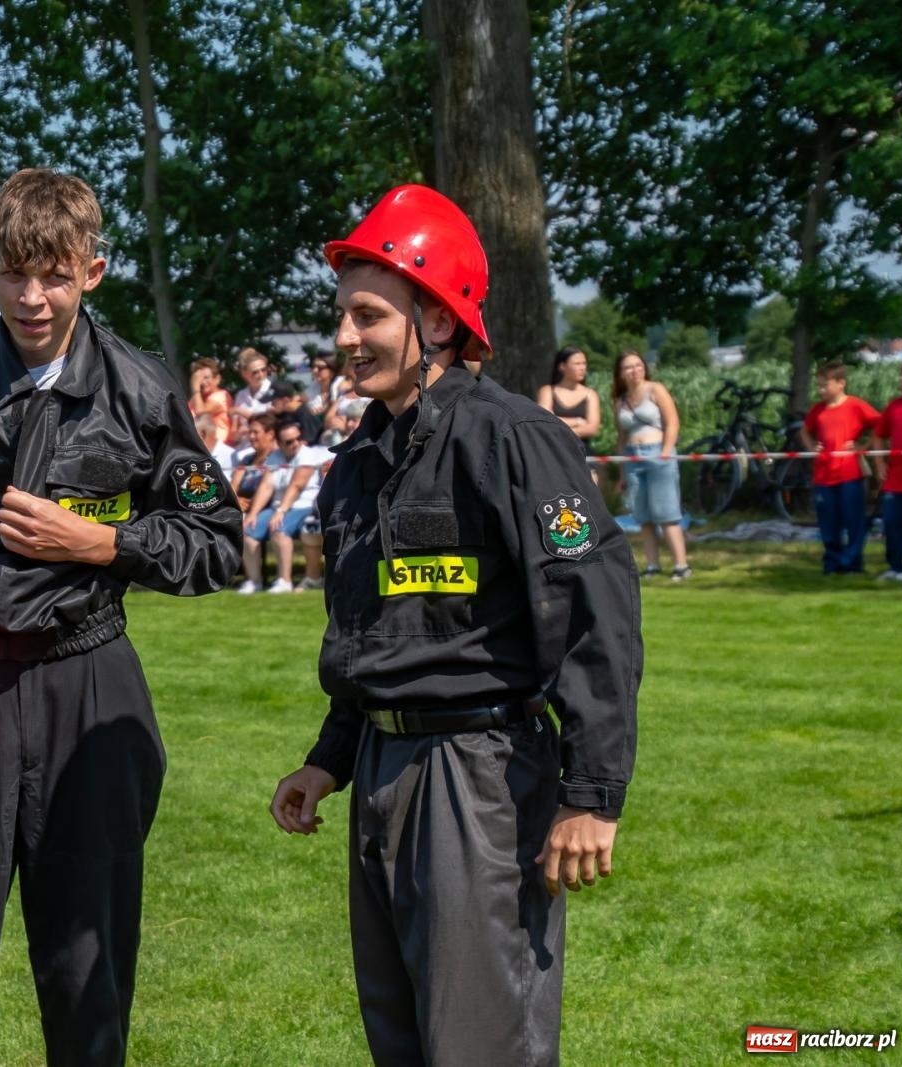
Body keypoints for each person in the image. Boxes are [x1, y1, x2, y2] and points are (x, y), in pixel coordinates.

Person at [0, 167, 241, 1066]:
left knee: (88, 969)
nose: (32, 299)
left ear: (94, 271)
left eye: (56, 275)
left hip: (89, 685)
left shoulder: (143, 392)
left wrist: (101, 545)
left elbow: (217, 541)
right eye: (14, 275)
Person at [268, 185, 641, 1067]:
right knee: (403, 1037)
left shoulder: (512, 439)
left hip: (480, 781)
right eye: (342, 315)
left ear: (436, 320)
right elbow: (373, 632)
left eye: (367, 314)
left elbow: (597, 612)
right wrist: (331, 758)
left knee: (480, 1043)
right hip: (383, 776)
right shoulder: (358, 463)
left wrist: (591, 794)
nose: (345, 338)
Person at [613, 350, 691, 580]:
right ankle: (652, 565)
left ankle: (681, 565)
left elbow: (672, 422)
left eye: (638, 365)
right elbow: (621, 437)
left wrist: (665, 452)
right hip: (632, 457)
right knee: (643, 515)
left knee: (666, 513)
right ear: (620, 373)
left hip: (658, 453)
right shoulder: (620, 401)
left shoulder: (656, 390)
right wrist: (622, 473)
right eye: (628, 367)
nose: (634, 370)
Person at [800, 361, 879, 576]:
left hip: (849, 474)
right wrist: (811, 447)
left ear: (841, 383)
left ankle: (853, 563)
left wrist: (863, 446)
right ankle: (832, 563)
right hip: (823, 476)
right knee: (828, 524)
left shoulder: (855, 405)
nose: (821, 390)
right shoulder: (818, 410)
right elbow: (804, 431)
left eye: (825, 385)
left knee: (854, 522)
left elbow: (880, 425)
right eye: (819, 385)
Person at [238, 418, 325, 594]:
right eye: (289, 441)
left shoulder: (308, 455)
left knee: (279, 529)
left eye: (298, 438)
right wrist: (253, 513)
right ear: (278, 443)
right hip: (278, 506)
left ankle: (284, 581)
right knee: (248, 530)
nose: (295, 444)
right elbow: (266, 486)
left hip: (304, 505)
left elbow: (296, 486)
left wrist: (280, 511)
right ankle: (254, 581)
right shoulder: (274, 457)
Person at [872, 360, 902, 581]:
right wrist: (879, 463)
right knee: (893, 524)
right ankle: (896, 567)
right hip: (897, 480)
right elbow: (878, 435)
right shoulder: (894, 407)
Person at [537, 346, 601, 478]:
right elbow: (544, 421)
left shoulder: (590, 394)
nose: (582, 368)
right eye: (577, 364)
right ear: (562, 366)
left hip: (583, 453)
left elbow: (592, 428)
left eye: (584, 363)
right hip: (554, 452)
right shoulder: (547, 391)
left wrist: (558, 425)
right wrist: (577, 421)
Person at [188, 356, 233, 443]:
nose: (202, 382)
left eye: (206, 377)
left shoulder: (221, 396)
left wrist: (195, 388)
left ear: (217, 379)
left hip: (219, 447)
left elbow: (201, 414)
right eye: (199, 378)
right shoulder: (197, 398)